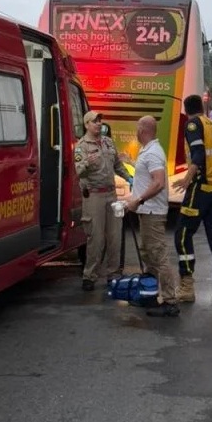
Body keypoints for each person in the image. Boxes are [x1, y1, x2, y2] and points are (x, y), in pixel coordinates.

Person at [171, 94, 212, 306]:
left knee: (182, 234)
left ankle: (187, 286)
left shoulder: (193, 125)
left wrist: (186, 179)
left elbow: (197, 155)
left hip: (200, 189)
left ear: (186, 110)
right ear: (202, 107)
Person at [125, 116, 180, 318]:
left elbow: (158, 183)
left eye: (138, 128)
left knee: (158, 256)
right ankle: (149, 294)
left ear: (143, 130)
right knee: (148, 254)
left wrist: (137, 200)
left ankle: (170, 301)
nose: (136, 132)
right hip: (146, 212)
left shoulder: (154, 153)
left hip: (152, 212)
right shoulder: (148, 150)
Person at [75, 111, 133, 291]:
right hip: (94, 196)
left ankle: (114, 274)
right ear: (87, 125)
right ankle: (89, 276)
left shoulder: (108, 142)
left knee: (115, 236)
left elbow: (117, 165)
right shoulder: (81, 146)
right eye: (94, 121)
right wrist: (86, 163)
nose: (99, 124)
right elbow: (78, 172)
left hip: (111, 195)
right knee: (96, 238)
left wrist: (130, 177)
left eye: (100, 121)